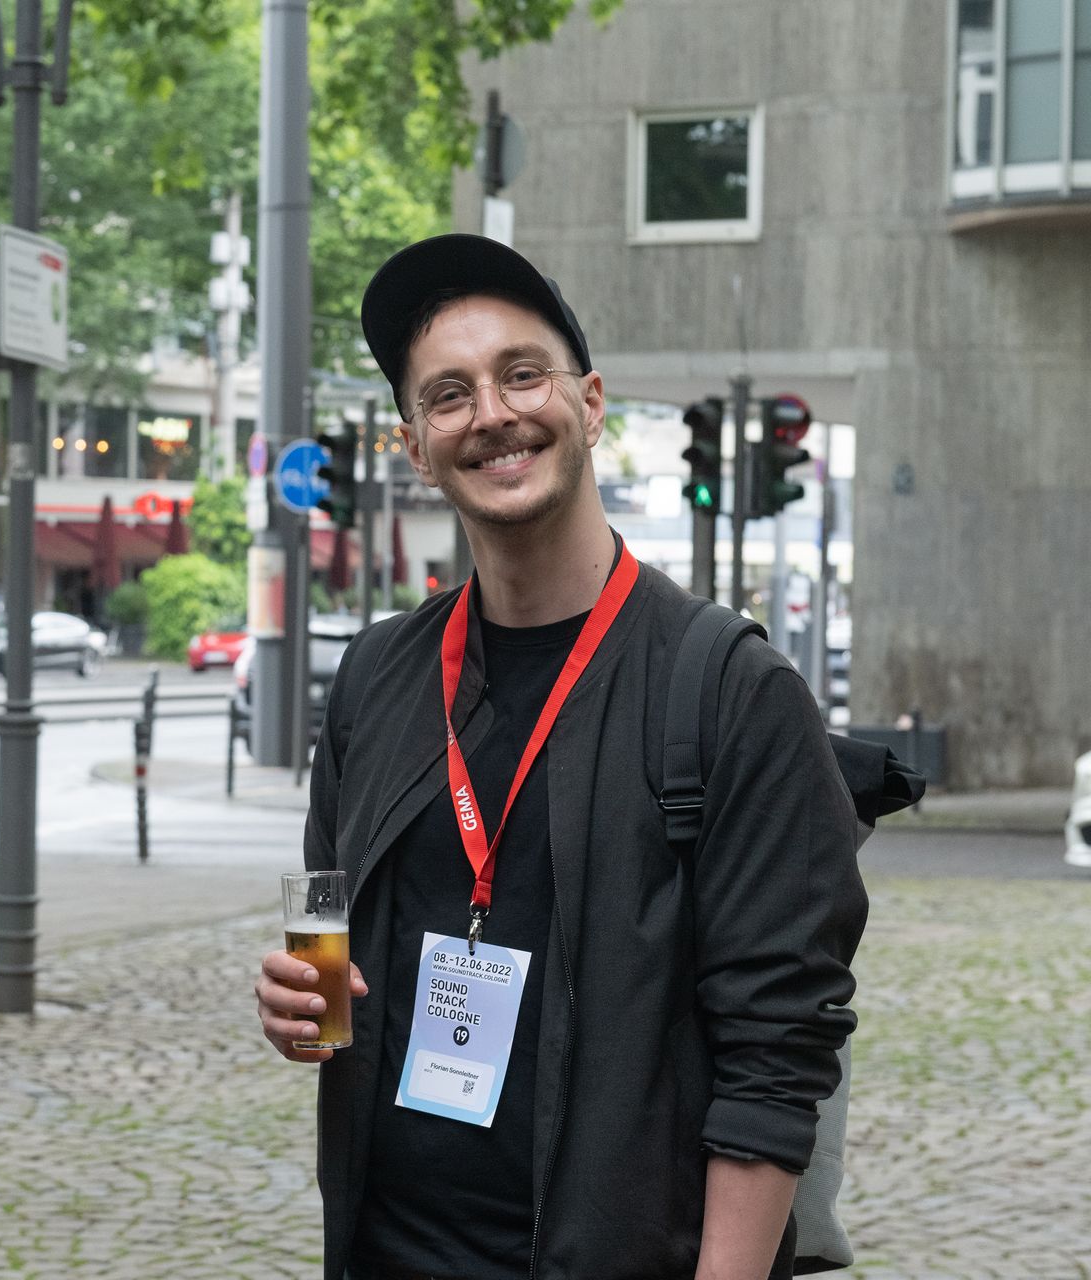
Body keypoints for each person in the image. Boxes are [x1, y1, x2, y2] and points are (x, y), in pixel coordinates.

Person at [254, 234, 866, 1280]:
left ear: (589, 403)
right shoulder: (375, 679)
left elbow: (778, 1053)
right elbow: (335, 942)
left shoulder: (731, 690)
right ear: (414, 443)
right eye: (448, 394)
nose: (491, 412)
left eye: (520, 373)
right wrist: (306, 1010)